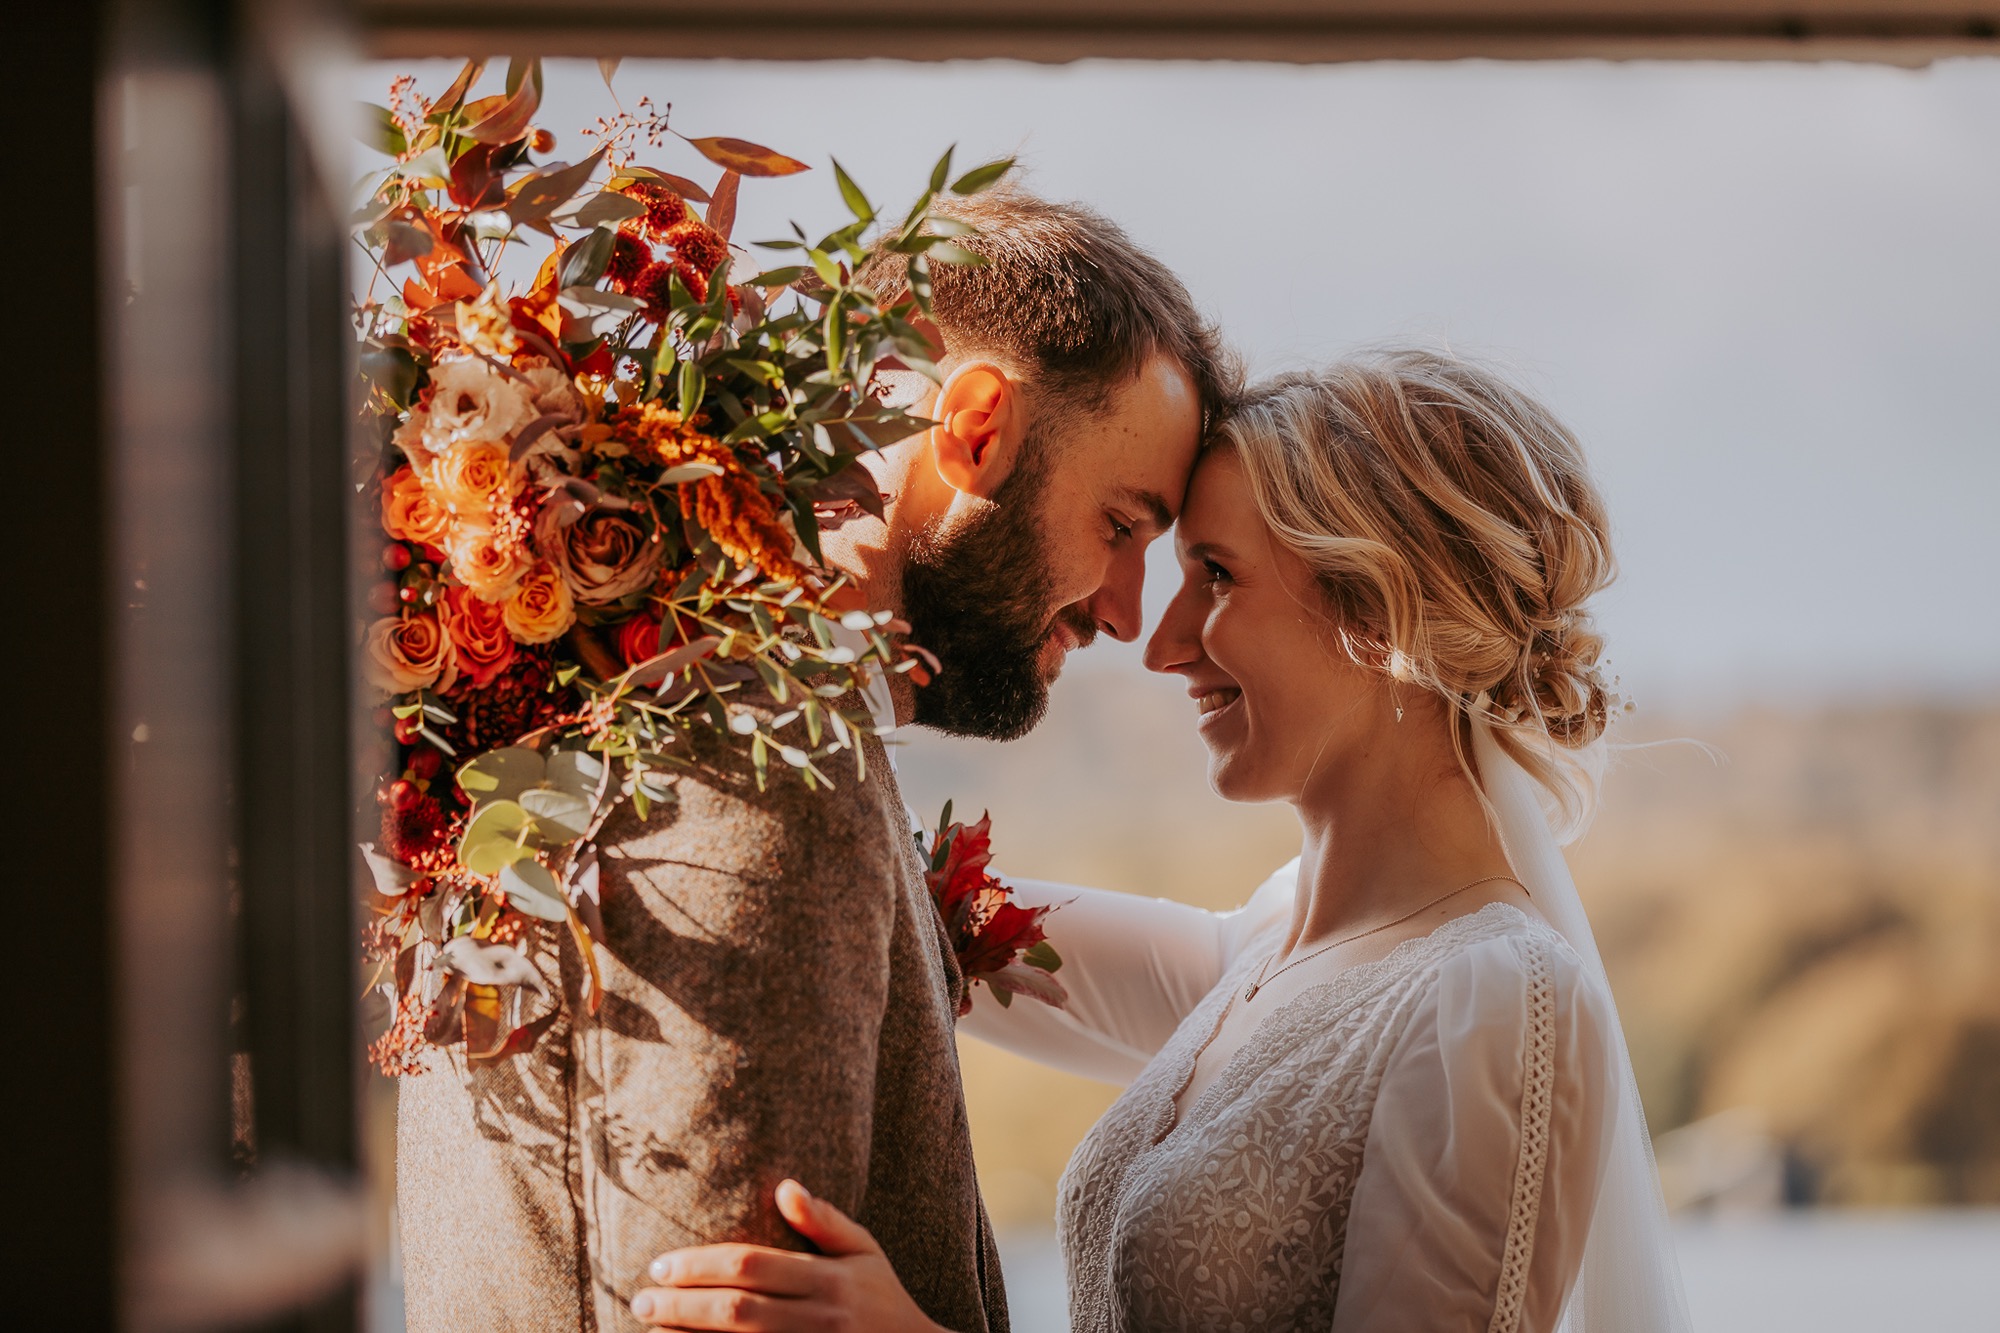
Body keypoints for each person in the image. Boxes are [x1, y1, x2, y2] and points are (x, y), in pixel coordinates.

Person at [627, 349, 1692, 1331]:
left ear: (1378, 610)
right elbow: (914, 904)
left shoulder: (1493, 997)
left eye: (1215, 577)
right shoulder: (1263, 950)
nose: (1162, 644)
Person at [394, 184, 1236, 1333]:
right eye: (1121, 527)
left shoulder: (572, 716)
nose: (1129, 615)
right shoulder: (766, 778)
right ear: (977, 427)